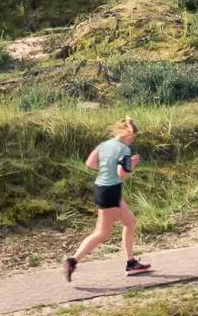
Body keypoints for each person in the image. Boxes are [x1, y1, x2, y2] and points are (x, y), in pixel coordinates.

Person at [64, 117, 149, 281]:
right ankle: (72, 261)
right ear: (129, 134)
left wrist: (105, 169)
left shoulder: (104, 144)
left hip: (102, 189)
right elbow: (122, 173)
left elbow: (90, 163)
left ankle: (131, 263)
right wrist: (132, 164)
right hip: (111, 192)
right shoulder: (124, 149)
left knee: (130, 223)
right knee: (102, 233)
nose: (133, 140)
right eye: (134, 137)